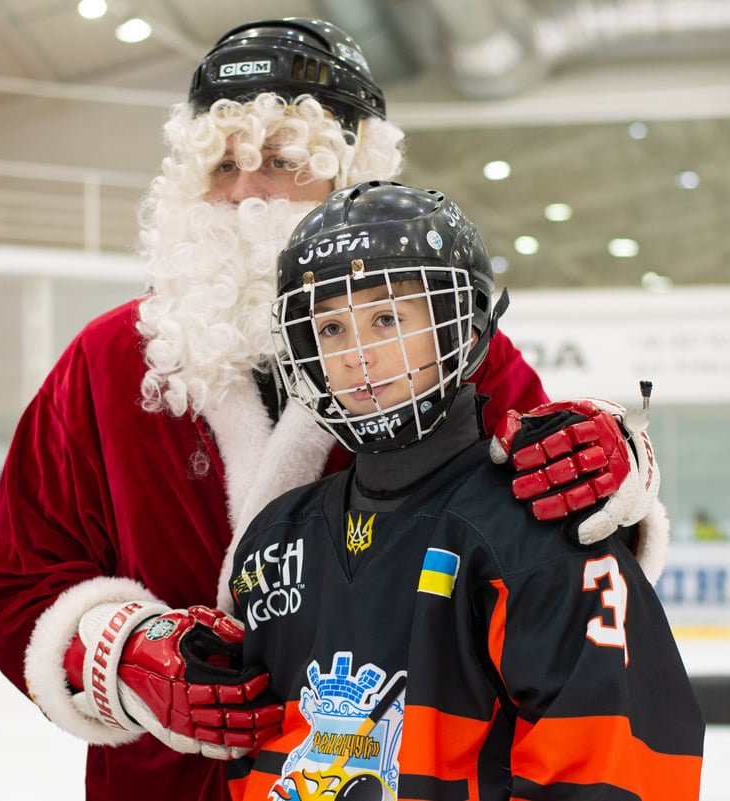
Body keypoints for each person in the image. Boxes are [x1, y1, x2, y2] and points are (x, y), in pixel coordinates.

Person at [0, 18, 668, 801]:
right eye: (223, 165)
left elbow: (559, 541)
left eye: (279, 161)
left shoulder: (446, 344)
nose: (244, 192)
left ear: (352, 175)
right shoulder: (103, 362)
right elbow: (19, 579)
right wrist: (126, 652)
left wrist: (609, 467)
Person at [225, 180, 702, 801]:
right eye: (331, 328)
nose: (356, 355)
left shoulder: (539, 531)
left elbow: (615, 772)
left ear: (463, 326)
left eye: (386, 319)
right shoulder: (274, 537)